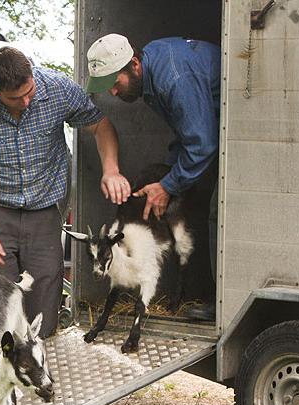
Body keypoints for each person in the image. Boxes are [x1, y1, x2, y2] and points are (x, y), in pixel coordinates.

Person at [0, 46, 130, 337]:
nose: (27, 101)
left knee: (45, 297)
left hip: (43, 209)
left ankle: (39, 367)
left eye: (30, 91)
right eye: (16, 98)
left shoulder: (57, 88)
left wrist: (112, 169)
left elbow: (101, 126)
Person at [85, 34, 221, 322]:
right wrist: (165, 178)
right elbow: (188, 133)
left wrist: (169, 185)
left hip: (240, 134)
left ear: (133, 64)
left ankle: (222, 303)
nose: (112, 93)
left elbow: (202, 144)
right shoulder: (151, 65)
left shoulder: (173, 78)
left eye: (114, 83)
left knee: (218, 213)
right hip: (214, 131)